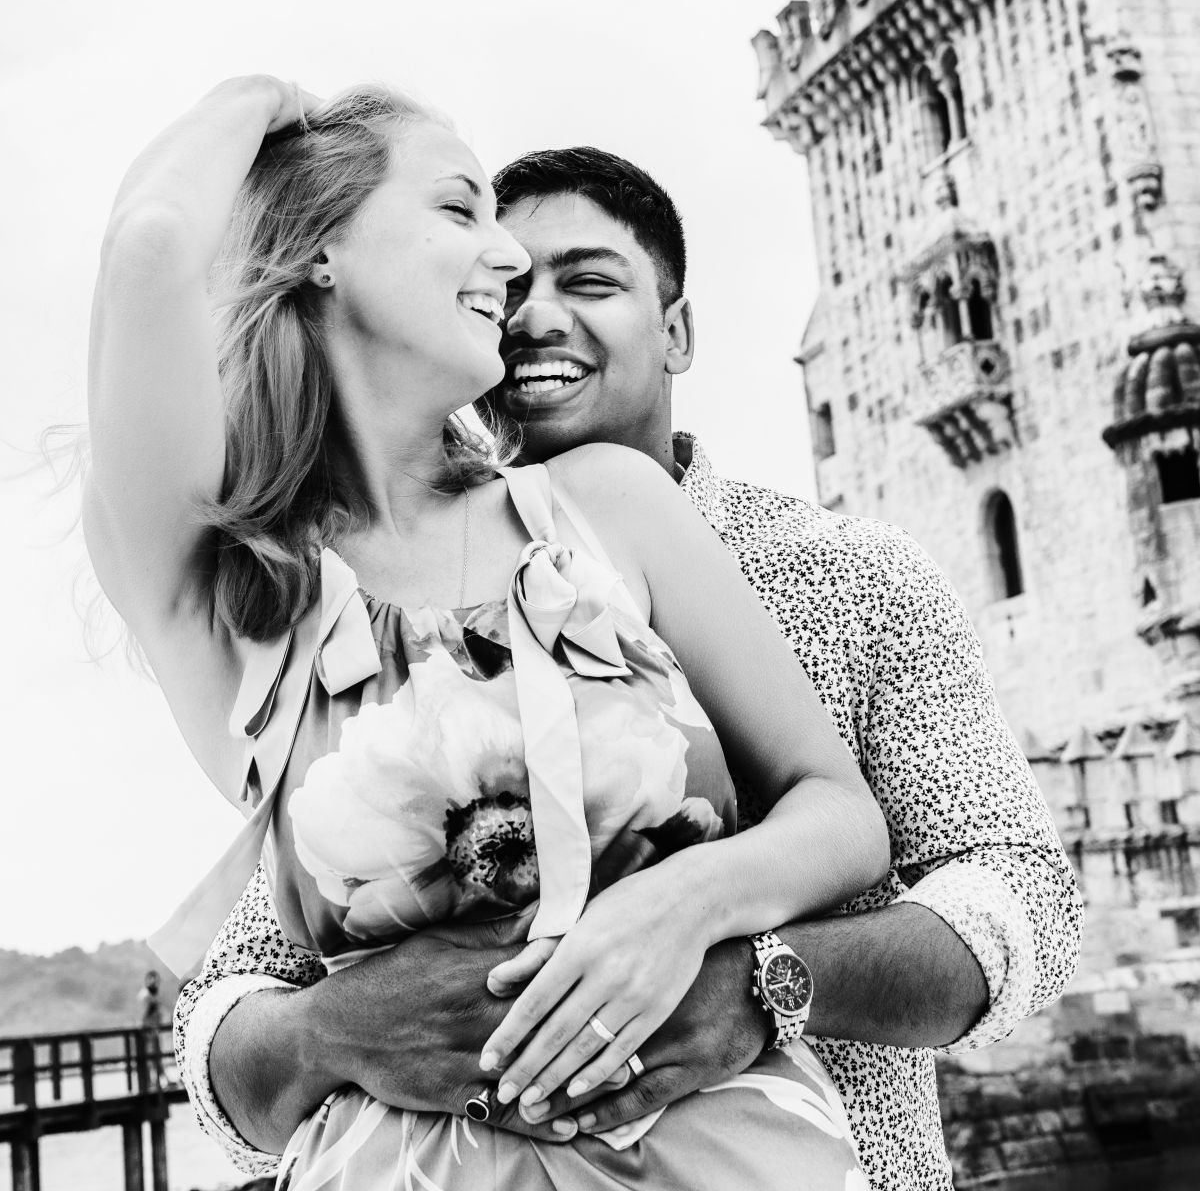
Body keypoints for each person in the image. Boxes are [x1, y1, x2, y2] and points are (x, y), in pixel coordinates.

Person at [173, 142, 1084, 1191]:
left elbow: (1026, 904)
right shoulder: (372, 614)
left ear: (679, 330)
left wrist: (761, 983)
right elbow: (228, 1024)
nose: (536, 317)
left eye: (589, 281)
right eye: (507, 287)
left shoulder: (853, 578)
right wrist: (330, 1032)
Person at [85, 77, 895, 1190]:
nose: (509, 262)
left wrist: (681, 905)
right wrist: (272, 102)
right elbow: (152, 244)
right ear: (322, 249)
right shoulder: (237, 592)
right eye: (460, 211)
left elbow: (840, 813)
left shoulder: (610, 505)